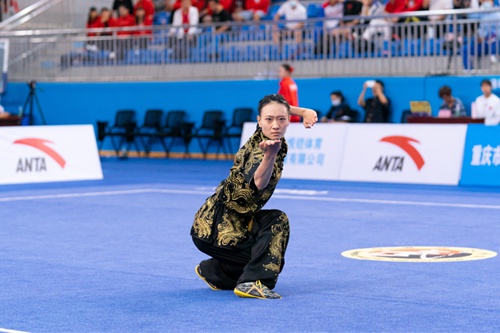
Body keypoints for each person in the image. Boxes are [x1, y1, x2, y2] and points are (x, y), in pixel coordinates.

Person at [191, 94, 318, 299]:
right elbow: (258, 182)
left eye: (282, 119)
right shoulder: (264, 149)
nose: (275, 125)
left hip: (224, 221)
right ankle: (252, 282)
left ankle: (215, 271)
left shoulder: (263, 133)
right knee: (272, 253)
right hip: (216, 230)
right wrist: (269, 156)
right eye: (269, 120)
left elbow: (274, 107)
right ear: (259, 121)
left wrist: (302, 111)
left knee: (271, 225)